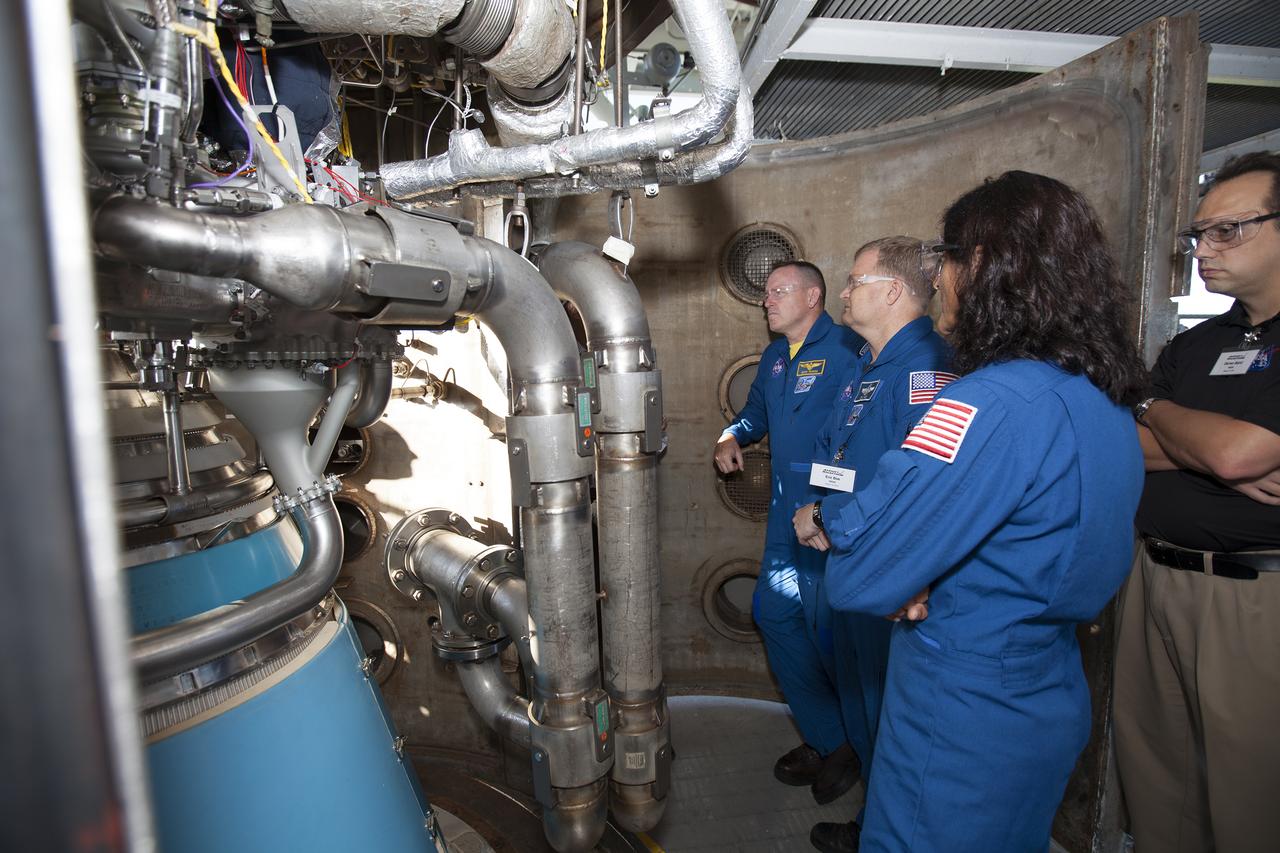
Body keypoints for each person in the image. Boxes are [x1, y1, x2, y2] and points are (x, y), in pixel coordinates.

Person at [793, 171, 1147, 852]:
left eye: (944, 258)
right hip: (1047, 685)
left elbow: (860, 575)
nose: (940, 277)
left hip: (961, 705)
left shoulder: (984, 403)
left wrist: (912, 573)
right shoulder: (1101, 400)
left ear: (979, 263)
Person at [1114, 151, 1280, 853]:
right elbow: (1126, 444)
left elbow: (1238, 455)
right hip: (1155, 577)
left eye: (1227, 231)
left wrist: (1165, 420)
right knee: (1158, 780)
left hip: (1253, 597)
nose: (1204, 250)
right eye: (1198, 235)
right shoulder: (1197, 343)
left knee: (1250, 794)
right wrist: (1169, 420)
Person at [789, 236, 954, 853]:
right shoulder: (868, 360)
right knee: (861, 695)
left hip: (891, 567)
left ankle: (888, 831)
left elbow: (920, 482)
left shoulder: (925, 368)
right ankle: (873, 816)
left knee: (894, 709)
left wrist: (828, 515)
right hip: (852, 553)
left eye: (855, 281)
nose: (845, 292)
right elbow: (839, 444)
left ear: (891, 291)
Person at [714, 260, 864, 802]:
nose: (766, 301)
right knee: (773, 613)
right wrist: (730, 435)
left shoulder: (850, 351)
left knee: (835, 638)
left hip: (826, 514)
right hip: (784, 515)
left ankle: (858, 746)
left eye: (778, 291)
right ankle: (832, 737)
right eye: (765, 293)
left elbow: (858, 439)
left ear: (813, 296)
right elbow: (754, 414)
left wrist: (826, 505)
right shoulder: (777, 357)